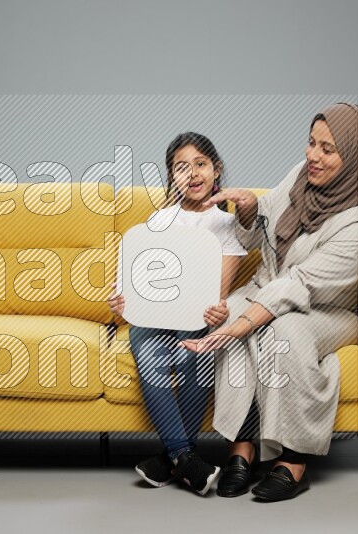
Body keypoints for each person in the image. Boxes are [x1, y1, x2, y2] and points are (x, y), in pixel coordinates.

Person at [182, 103, 358, 501]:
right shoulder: (300, 177)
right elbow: (265, 216)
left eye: (328, 149)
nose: (313, 155)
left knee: (283, 331)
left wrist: (243, 325)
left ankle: (293, 461)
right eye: (312, 143)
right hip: (272, 288)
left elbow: (302, 282)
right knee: (228, 312)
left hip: (327, 310)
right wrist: (248, 209)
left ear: (355, 157)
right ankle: (242, 449)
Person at [108, 132, 247, 496]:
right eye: (181, 168)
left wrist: (217, 311)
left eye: (201, 164)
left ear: (216, 170)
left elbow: (219, 292)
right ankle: (186, 457)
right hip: (156, 318)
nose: (193, 174)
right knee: (142, 339)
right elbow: (141, 278)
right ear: (172, 177)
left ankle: (172, 459)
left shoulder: (225, 224)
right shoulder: (160, 219)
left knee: (195, 349)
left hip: (197, 318)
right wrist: (123, 302)